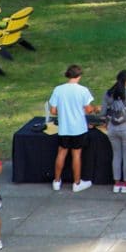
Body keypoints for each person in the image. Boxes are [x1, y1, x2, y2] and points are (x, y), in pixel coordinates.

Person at [45, 64, 96, 192]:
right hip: (79, 128)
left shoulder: (58, 89)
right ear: (79, 76)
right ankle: (77, 183)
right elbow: (89, 110)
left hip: (64, 128)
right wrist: (94, 109)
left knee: (61, 153)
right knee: (76, 155)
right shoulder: (83, 90)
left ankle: (57, 181)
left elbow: (53, 110)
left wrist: (64, 112)